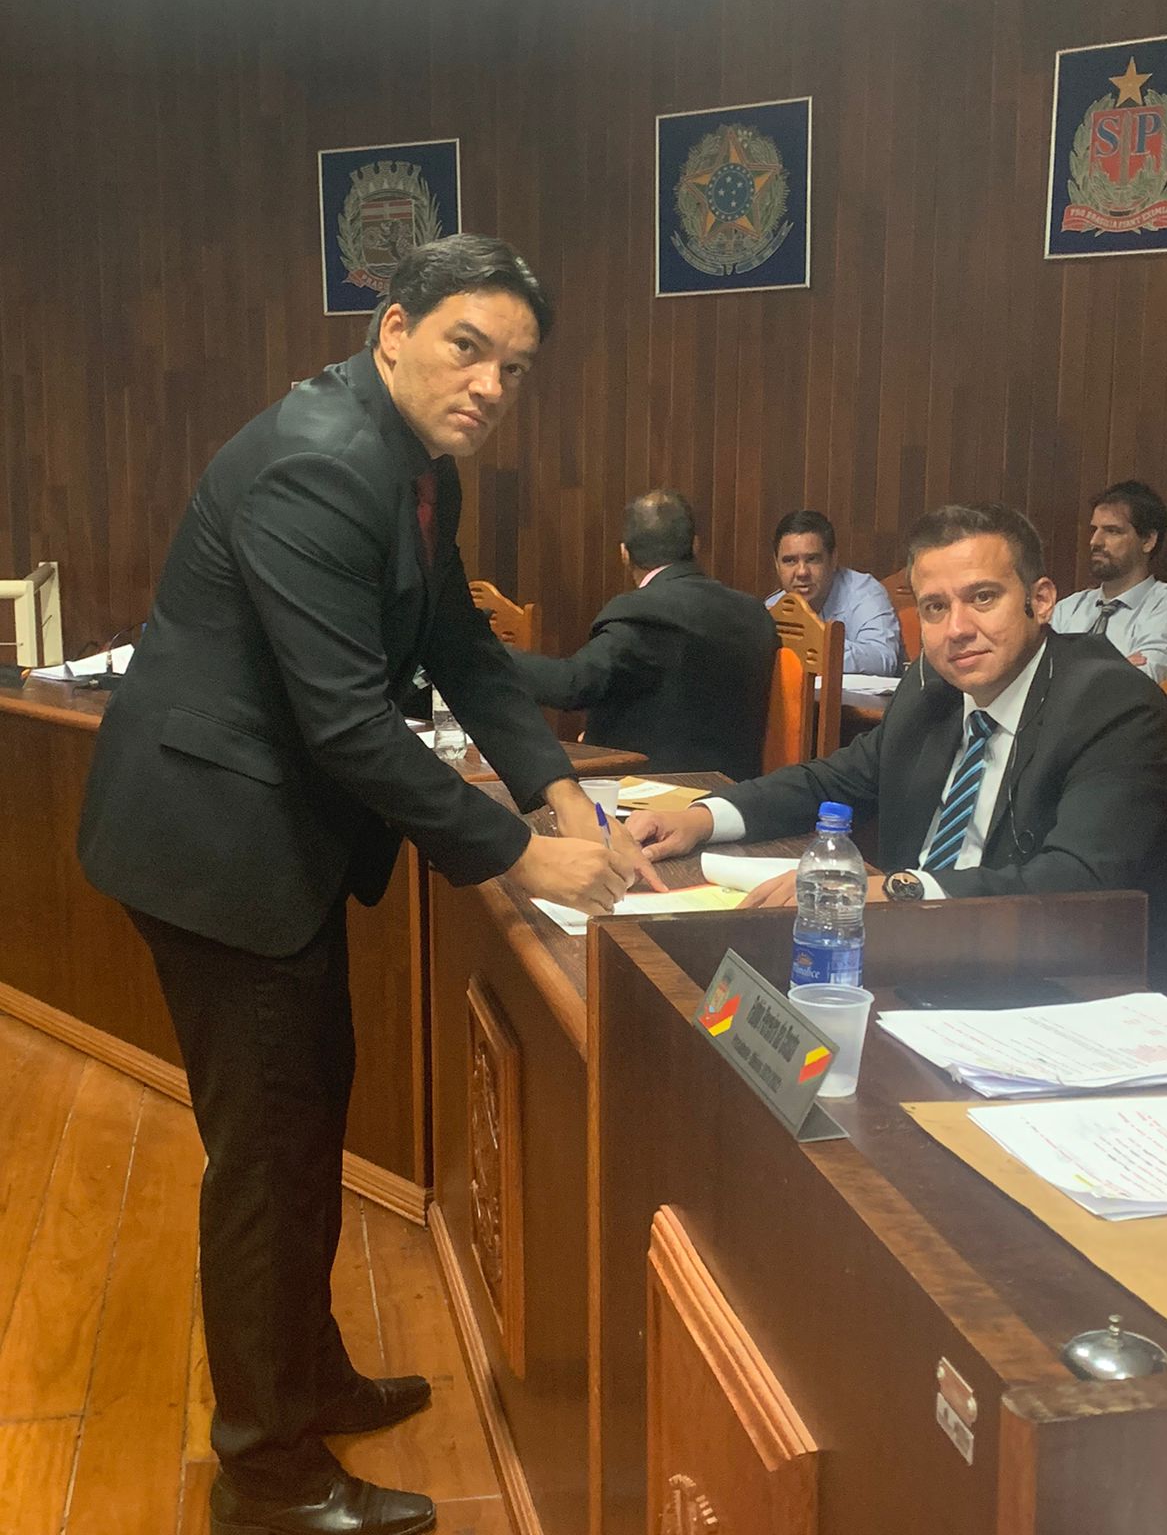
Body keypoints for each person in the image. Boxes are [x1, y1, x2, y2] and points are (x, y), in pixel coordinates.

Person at [77, 235, 659, 1535]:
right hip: (214, 849)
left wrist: (560, 792)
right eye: (468, 347)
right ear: (394, 328)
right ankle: (267, 1475)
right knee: (266, 1162)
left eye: (515, 368)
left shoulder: (417, 463)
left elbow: (461, 646)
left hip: (268, 847)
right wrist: (520, 852)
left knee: (304, 1123)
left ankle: (307, 1379)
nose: (491, 385)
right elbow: (347, 723)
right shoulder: (321, 462)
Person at [629, 503, 1167, 996]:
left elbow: (1078, 882)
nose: (957, 629)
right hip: (921, 958)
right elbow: (836, 778)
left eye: (983, 598)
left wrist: (897, 890)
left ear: (1041, 599)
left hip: (1077, 989)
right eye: (934, 607)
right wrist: (702, 817)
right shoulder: (933, 688)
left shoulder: (1113, 706)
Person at [509, 489, 779, 780]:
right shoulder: (755, 612)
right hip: (740, 790)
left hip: (656, 791)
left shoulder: (643, 611)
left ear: (624, 554)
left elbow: (572, 685)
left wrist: (488, 652)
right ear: (695, 545)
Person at [1052, 479, 1167, 683]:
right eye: (1094, 530)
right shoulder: (1067, 609)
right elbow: (1034, 676)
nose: (1095, 541)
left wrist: (1066, 670)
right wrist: (1115, 667)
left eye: (1112, 531)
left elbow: (1139, 685)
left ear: (1148, 541)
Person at [765, 509, 903, 674]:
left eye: (812, 559)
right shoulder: (773, 606)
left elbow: (884, 660)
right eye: (790, 561)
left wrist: (818, 646)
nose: (802, 572)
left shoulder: (865, 593)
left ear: (833, 559)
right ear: (777, 564)